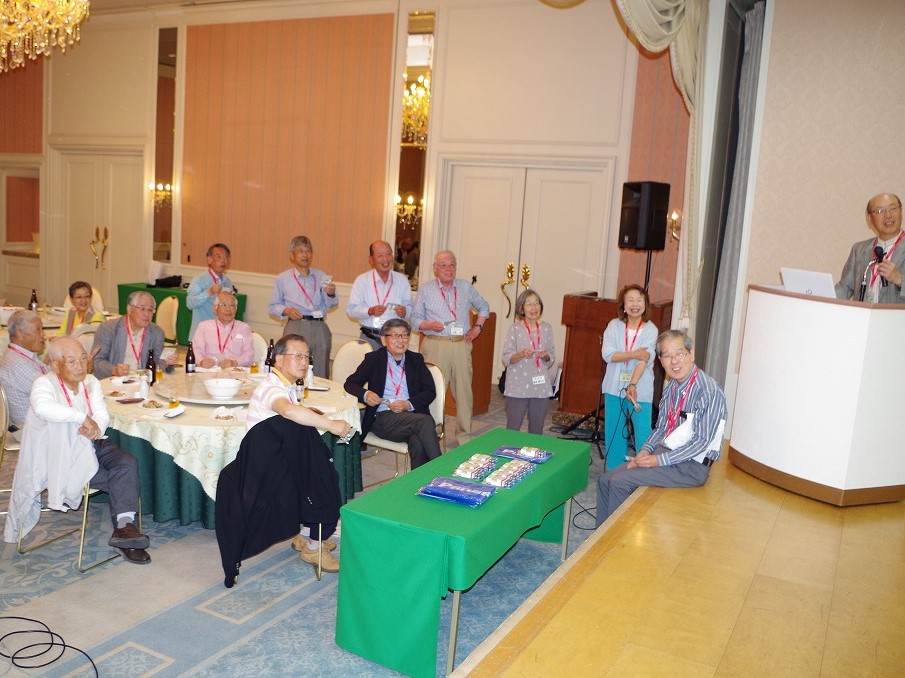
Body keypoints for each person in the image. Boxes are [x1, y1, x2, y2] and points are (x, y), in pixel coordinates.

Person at [3, 337, 151, 564]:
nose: (80, 366)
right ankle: (126, 533)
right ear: (55, 365)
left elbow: (101, 413)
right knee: (121, 476)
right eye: (71, 361)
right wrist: (81, 418)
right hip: (61, 455)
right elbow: (43, 407)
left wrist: (95, 427)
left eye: (83, 359)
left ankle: (124, 531)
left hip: (93, 442)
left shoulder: (90, 382)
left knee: (127, 462)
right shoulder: (44, 384)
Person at [596, 330, 727, 526]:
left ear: (692, 354)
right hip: (667, 453)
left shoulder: (709, 391)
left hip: (692, 466)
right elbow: (661, 428)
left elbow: (701, 442)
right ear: (660, 360)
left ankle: (615, 541)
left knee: (620, 482)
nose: (674, 361)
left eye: (679, 353)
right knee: (605, 480)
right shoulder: (672, 387)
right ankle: (600, 537)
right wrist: (645, 451)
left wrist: (657, 460)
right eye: (667, 356)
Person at [246, 334, 352, 573]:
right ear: (278, 359)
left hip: (278, 454)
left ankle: (305, 535)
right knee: (324, 480)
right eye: (298, 356)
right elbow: (287, 411)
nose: (304, 362)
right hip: (270, 465)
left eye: (307, 357)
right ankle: (314, 546)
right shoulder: (271, 388)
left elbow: (290, 412)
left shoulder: (284, 384)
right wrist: (331, 425)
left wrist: (306, 411)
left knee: (319, 461)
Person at [411, 250, 490, 439]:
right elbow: (414, 320)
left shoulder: (465, 287)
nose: (448, 269)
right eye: (443, 265)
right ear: (435, 268)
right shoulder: (426, 290)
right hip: (436, 345)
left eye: (452, 265)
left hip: (461, 345)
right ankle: (431, 434)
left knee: (464, 392)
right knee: (433, 391)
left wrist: (478, 327)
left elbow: (484, 307)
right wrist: (429, 325)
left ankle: (464, 435)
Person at [344, 319, 440, 468]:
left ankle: (422, 481)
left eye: (404, 335)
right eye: (395, 336)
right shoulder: (374, 359)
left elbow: (429, 391)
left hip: (411, 418)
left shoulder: (416, 359)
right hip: (382, 417)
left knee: (418, 443)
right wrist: (366, 394)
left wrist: (408, 404)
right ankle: (441, 470)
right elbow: (350, 384)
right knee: (425, 421)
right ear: (384, 340)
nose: (401, 340)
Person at [600, 284, 659, 471]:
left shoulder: (651, 329)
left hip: (640, 388)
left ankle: (643, 474)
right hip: (613, 387)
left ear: (645, 304)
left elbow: (644, 359)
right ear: (623, 305)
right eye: (630, 300)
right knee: (614, 431)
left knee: (643, 432)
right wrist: (634, 353)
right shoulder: (614, 325)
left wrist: (632, 384)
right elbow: (608, 355)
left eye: (639, 300)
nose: (635, 304)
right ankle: (615, 471)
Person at [268, 236, 337, 378]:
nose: (305, 255)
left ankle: (319, 393)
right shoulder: (283, 278)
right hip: (296, 325)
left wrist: (330, 293)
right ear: (292, 255)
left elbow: (331, 304)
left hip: (319, 326)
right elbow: (273, 307)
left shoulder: (321, 276)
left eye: (308, 251)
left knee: (321, 370)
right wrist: (286, 310)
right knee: (293, 368)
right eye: (300, 251)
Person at [500, 289, 556, 435]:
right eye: (529, 303)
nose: (534, 307)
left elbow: (551, 357)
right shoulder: (515, 329)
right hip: (517, 386)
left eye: (536, 303)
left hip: (540, 386)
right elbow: (506, 358)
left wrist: (545, 356)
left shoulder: (546, 328)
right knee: (512, 430)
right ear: (521, 308)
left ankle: (532, 450)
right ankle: (510, 449)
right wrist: (522, 354)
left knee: (537, 430)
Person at [835, 193, 905, 304]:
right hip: (864, 314)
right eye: (880, 211)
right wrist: (817, 298)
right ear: (870, 219)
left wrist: (900, 280)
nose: (888, 215)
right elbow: (844, 288)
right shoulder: (859, 249)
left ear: (901, 212)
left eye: (892, 209)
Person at [346, 240, 414, 350]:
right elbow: (351, 310)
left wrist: (405, 311)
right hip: (369, 337)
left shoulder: (402, 280)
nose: (385, 259)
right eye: (380, 255)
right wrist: (369, 311)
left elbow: (411, 310)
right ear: (371, 259)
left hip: (395, 339)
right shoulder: (362, 281)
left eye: (388, 254)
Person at [91, 291, 174, 379]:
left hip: (143, 380)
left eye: (150, 310)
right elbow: (96, 360)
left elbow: (158, 361)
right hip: (116, 381)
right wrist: (114, 370)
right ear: (130, 309)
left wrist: (167, 361)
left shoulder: (157, 332)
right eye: (142, 309)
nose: (147, 314)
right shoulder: (108, 328)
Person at [0, 310, 47, 442]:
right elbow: (55, 391)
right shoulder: (18, 364)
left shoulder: (21, 355)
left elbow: (50, 375)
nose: (43, 334)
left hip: (34, 425)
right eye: (38, 329)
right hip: (30, 430)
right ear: (20, 334)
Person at [192, 291, 254, 368]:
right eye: (224, 305)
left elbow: (249, 355)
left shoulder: (243, 328)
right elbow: (196, 350)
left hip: (233, 370)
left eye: (232, 305)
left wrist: (235, 363)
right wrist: (201, 362)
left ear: (236, 309)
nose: (228, 309)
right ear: (215, 309)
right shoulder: (204, 326)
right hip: (209, 369)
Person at [186, 243, 235, 340]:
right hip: (202, 335)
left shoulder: (227, 282)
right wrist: (209, 292)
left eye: (226, 257)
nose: (223, 260)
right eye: (219, 256)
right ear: (209, 259)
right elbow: (190, 303)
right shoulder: (199, 279)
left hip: (221, 335)